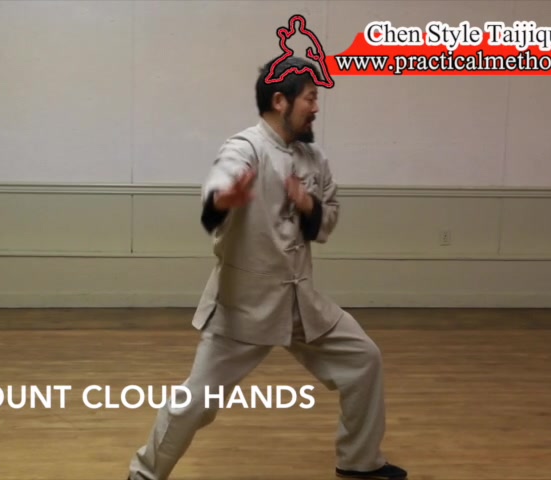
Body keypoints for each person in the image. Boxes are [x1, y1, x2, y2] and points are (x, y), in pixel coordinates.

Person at [126, 56, 408, 480]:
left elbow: (328, 218)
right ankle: (144, 474)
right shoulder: (245, 147)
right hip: (244, 306)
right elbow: (220, 183)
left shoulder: (315, 159)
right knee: (197, 401)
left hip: (302, 304)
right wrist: (223, 198)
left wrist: (310, 205)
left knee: (364, 359)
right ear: (280, 101)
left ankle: (359, 462)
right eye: (310, 98)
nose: (316, 107)